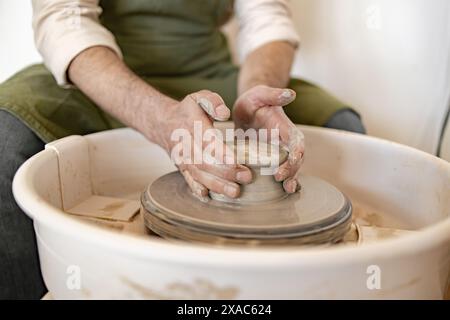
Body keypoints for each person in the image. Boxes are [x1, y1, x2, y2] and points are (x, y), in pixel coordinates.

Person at [0, 0, 365, 299]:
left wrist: (255, 91)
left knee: (343, 128)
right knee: (5, 139)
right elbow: (64, 19)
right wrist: (160, 119)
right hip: (100, 75)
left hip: (209, 72)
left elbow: (266, 17)